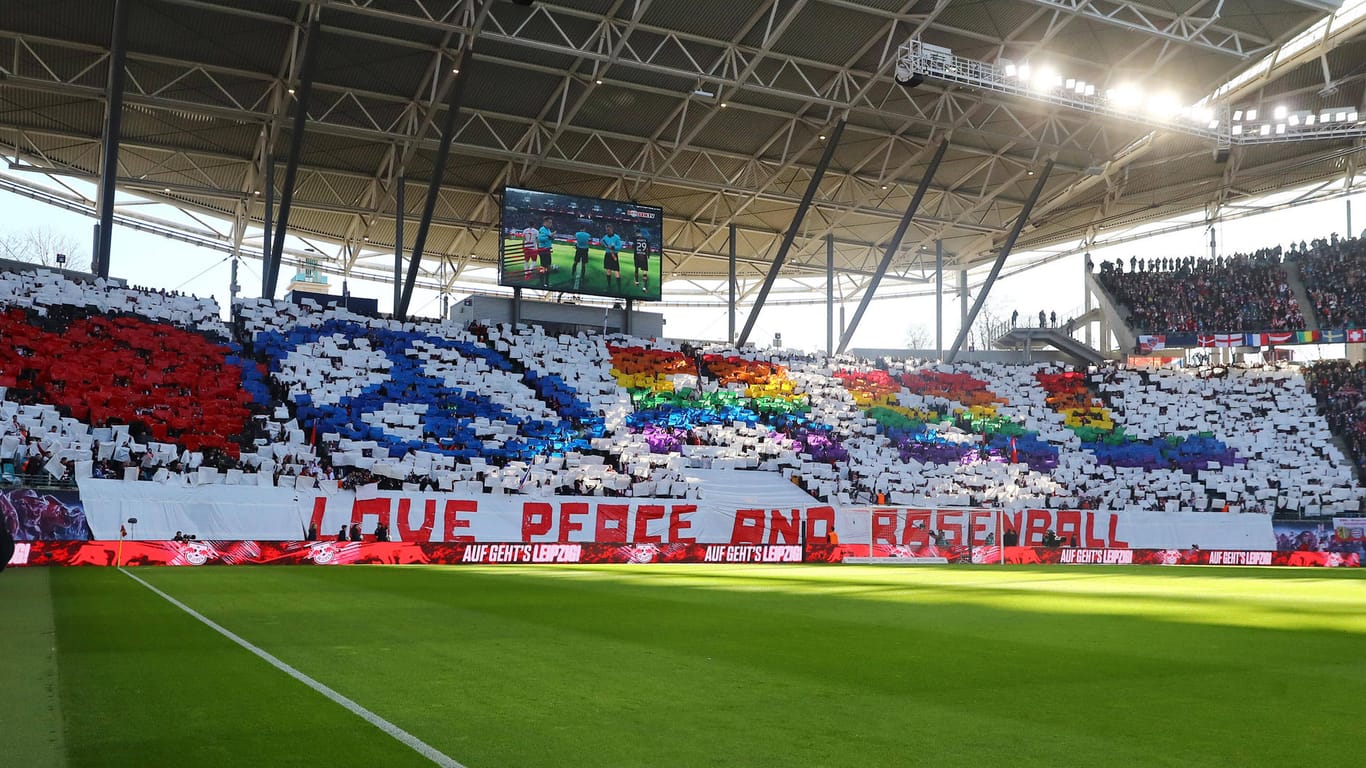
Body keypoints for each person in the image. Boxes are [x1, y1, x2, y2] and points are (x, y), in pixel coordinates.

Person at [601, 223, 624, 292]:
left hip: (614, 255)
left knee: (616, 271)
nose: (608, 231)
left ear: (612, 229)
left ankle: (619, 289)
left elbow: (620, 247)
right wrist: (605, 245)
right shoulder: (605, 237)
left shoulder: (617, 237)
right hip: (608, 255)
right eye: (607, 230)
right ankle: (609, 286)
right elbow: (602, 242)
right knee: (608, 271)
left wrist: (613, 247)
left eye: (609, 229)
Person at [536, 216, 555, 287]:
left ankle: (546, 282)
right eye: (549, 222)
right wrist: (549, 236)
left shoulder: (548, 230)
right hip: (543, 250)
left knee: (548, 266)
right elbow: (540, 239)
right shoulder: (542, 229)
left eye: (551, 223)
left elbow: (549, 238)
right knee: (543, 267)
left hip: (547, 250)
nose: (551, 224)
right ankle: (542, 282)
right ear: (545, 222)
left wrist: (552, 237)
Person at [631, 228, 651, 292]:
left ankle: (636, 282)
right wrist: (648, 255)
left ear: (637, 233)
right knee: (644, 272)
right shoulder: (646, 239)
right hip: (644, 257)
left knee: (636, 269)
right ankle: (644, 287)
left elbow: (633, 247)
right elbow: (649, 248)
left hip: (637, 256)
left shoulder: (635, 239)